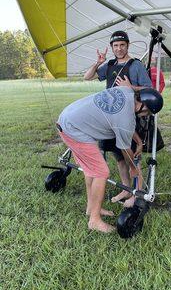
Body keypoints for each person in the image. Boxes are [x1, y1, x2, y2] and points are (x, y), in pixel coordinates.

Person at [57, 85, 163, 233]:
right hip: (74, 129)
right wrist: (133, 169)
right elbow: (125, 149)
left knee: (91, 170)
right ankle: (94, 220)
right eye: (147, 113)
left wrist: (138, 142)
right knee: (101, 172)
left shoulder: (127, 92)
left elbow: (123, 123)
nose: (145, 116)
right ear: (144, 107)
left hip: (66, 118)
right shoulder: (127, 120)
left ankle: (91, 207)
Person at [84, 30, 152, 206]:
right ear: (112, 47)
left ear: (128, 46)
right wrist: (98, 63)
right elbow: (87, 76)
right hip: (109, 117)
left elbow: (149, 89)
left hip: (128, 117)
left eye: (122, 45)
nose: (119, 48)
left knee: (132, 156)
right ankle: (125, 189)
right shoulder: (110, 64)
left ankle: (137, 194)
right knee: (119, 156)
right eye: (116, 45)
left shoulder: (135, 65)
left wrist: (131, 87)